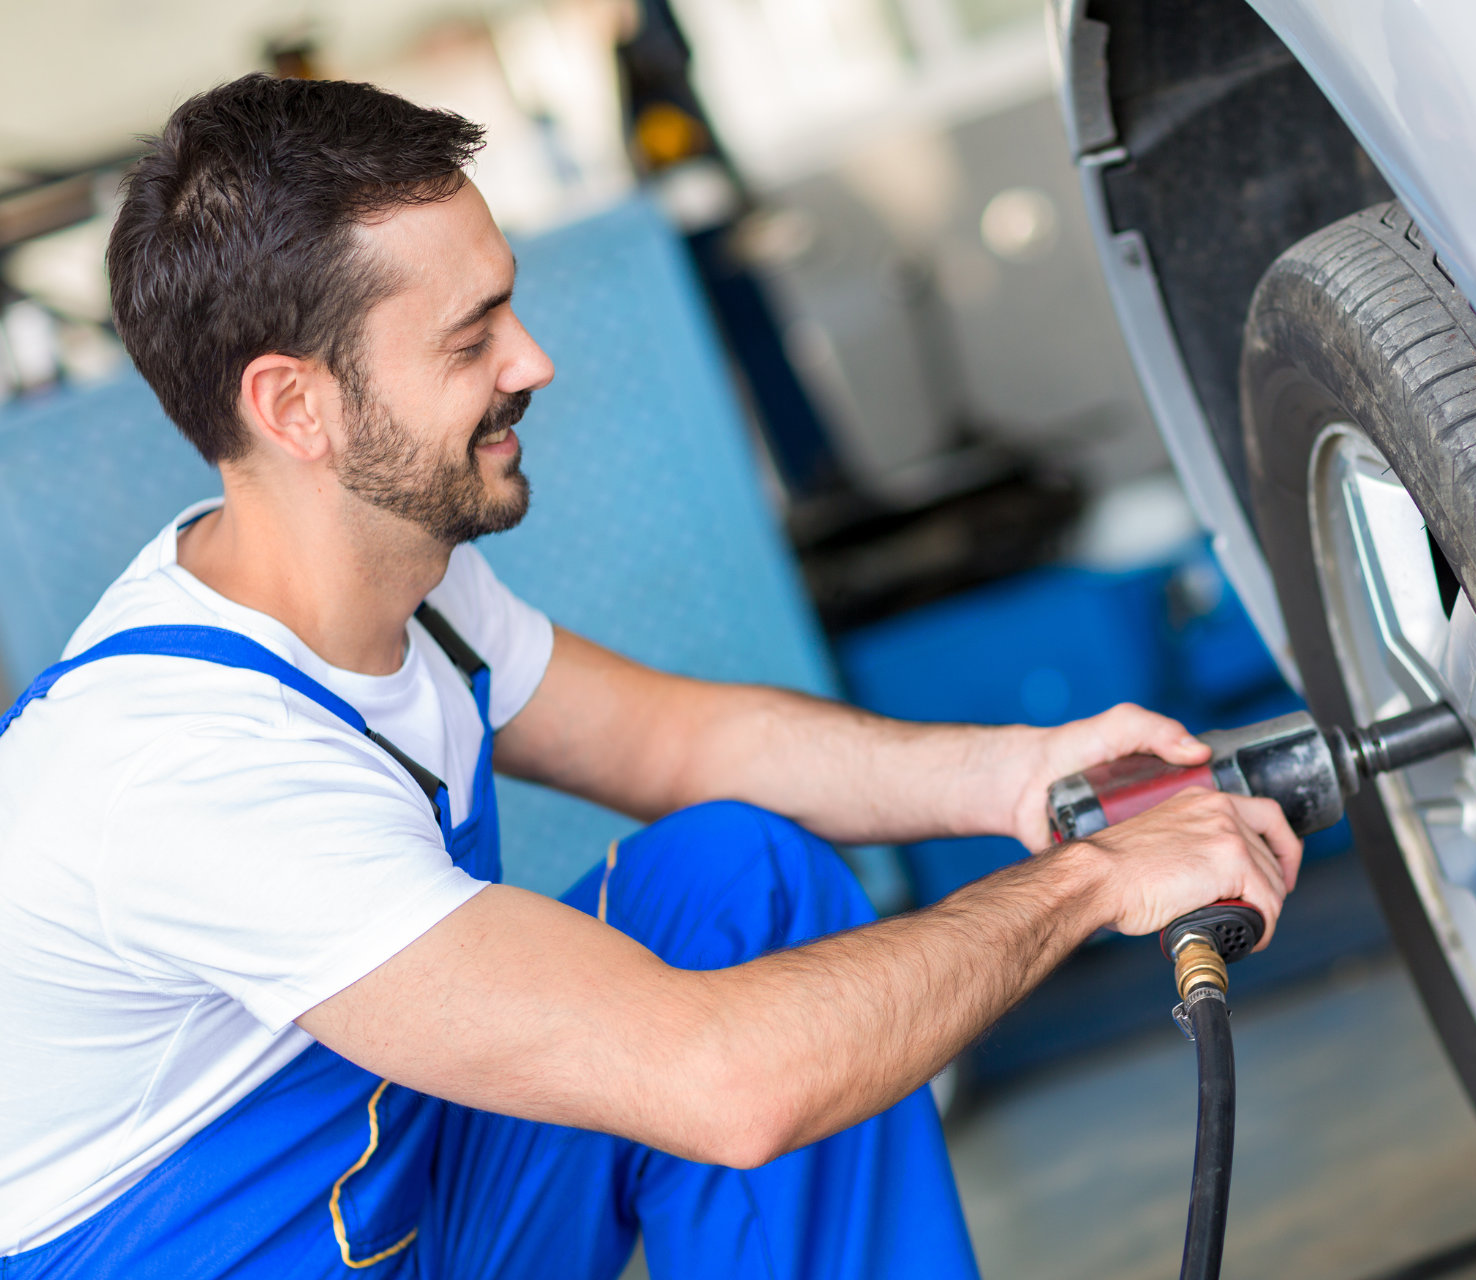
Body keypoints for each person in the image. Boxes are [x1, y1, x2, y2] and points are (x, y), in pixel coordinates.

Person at [0, 75, 1300, 1279]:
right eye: (471, 339)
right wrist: (1097, 879)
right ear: (296, 409)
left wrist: (1022, 774)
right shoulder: (180, 769)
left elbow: (681, 748)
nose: (533, 361)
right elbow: (727, 1086)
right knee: (736, 1051)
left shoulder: (406, 587)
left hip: (397, 1210)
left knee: (736, 886)